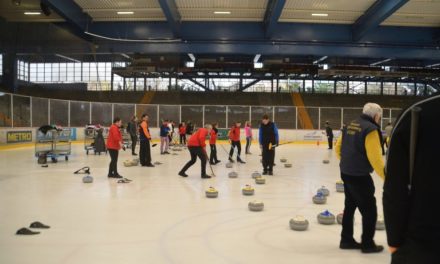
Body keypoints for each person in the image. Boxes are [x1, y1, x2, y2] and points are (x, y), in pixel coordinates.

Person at [383, 95, 440, 263]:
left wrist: (395, 241)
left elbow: (395, 187)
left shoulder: (419, 111)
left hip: (421, 243)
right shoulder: (415, 114)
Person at [334, 103, 385, 253]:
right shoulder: (371, 129)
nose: (379, 120)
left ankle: (346, 240)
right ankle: (367, 244)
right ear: (376, 116)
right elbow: (375, 158)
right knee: (370, 210)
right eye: (379, 117)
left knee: (350, 206)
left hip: (346, 173)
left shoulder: (350, 124)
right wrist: (387, 178)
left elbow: (338, 148)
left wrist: (348, 163)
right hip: (360, 176)